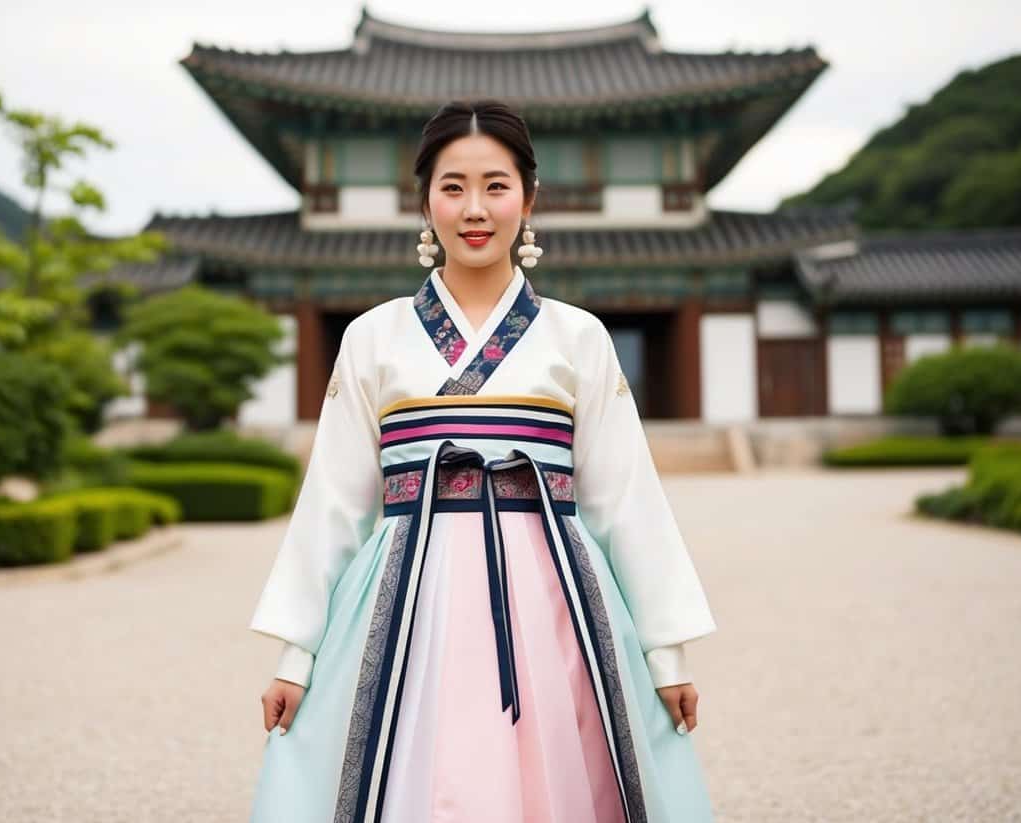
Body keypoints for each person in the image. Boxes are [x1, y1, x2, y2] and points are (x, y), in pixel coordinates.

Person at [248, 99, 718, 822]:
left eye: (496, 186)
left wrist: (666, 653)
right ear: (425, 201)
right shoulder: (374, 337)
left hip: (552, 596)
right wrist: (296, 653)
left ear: (530, 199)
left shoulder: (577, 336)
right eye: (453, 186)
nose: (475, 208)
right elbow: (333, 503)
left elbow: (626, 497)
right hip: (406, 602)